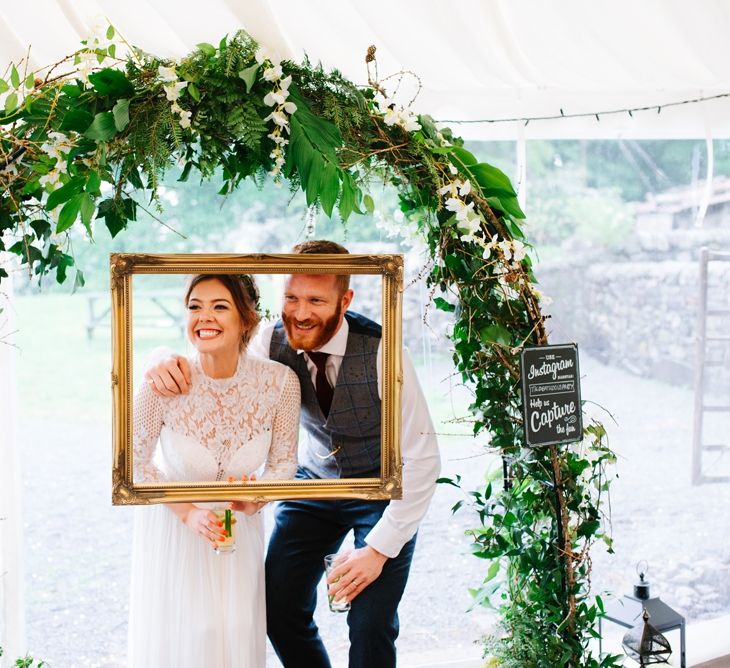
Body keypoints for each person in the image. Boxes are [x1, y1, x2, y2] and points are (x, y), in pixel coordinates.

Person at [146, 241, 441, 668]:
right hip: (313, 484)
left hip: (380, 488)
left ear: (345, 300)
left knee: (371, 622)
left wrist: (378, 550)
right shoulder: (270, 340)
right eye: (291, 297)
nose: (300, 312)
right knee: (278, 609)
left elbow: (424, 460)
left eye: (316, 300)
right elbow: (218, 360)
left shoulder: (384, 353)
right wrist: (159, 358)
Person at [129, 274, 300, 668]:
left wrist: (257, 500)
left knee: (238, 632)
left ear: (247, 319)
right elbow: (132, 465)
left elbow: (283, 463)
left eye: (219, 306)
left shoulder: (280, 383)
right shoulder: (164, 381)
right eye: (195, 306)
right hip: (177, 531)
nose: (204, 317)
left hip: (240, 532)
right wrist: (188, 512)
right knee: (193, 635)